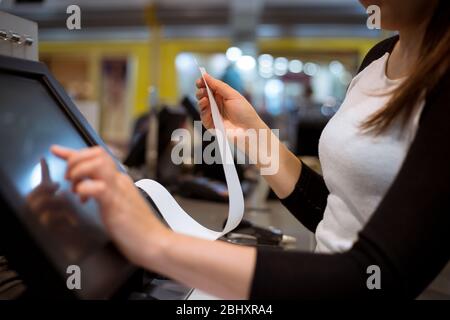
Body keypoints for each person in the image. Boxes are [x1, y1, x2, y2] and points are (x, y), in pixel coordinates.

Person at [51, 0, 449, 299]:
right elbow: (340, 213)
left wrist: (156, 244)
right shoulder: (378, 57)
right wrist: (252, 133)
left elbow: (372, 275)